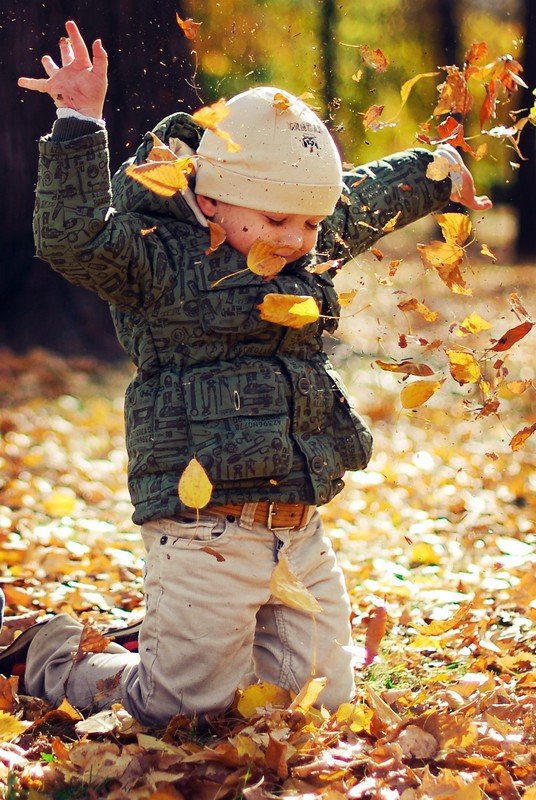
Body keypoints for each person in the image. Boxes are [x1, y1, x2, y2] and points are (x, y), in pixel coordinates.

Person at [6, 21, 490, 726]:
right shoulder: (156, 258)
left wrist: (437, 169)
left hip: (296, 525)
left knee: (319, 698)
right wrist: (80, 120)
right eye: (277, 221)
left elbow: (362, 197)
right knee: (184, 709)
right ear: (211, 201)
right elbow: (72, 237)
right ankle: (53, 655)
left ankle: (184, 642)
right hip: (201, 526)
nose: (297, 241)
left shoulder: (304, 246)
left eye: (310, 226)